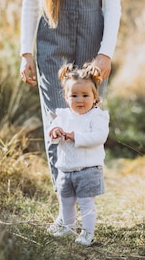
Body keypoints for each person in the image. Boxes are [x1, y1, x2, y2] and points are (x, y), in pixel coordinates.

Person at [19, 0, 121, 233]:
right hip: (51, 44)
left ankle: (86, 206)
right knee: (57, 125)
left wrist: (106, 54)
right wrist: (26, 52)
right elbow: (30, 2)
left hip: (93, 42)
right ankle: (65, 214)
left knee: (87, 122)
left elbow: (114, 5)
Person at [48, 61, 109, 246]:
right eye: (74, 95)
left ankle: (88, 233)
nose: (79, 100)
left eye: (84, 95)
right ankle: (68, 227)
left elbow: (99, 137)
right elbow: (52, 133)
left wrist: (77, 137)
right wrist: (55, 132)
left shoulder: (96, 116)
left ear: (94, 96)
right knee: (66, 202)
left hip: (87, 169)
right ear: (66, 97)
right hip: (66, 169)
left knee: (86, 203)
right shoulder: (63, 116)